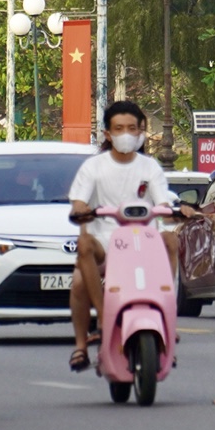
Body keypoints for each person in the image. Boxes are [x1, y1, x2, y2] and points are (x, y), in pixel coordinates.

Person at [66, 101, 181, 373]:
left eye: (132, 128)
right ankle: (87, 339)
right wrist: (82, 209)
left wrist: (177, 212)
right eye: (119, 128)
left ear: (140, 131)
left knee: (171, 241)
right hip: (105, 243)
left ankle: (166, 320)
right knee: (80, 273)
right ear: (108, 133)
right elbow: (78, 203)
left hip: (143, 243)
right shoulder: (93, 168)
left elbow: (163, 205)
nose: (126, 134)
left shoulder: (150, 167)